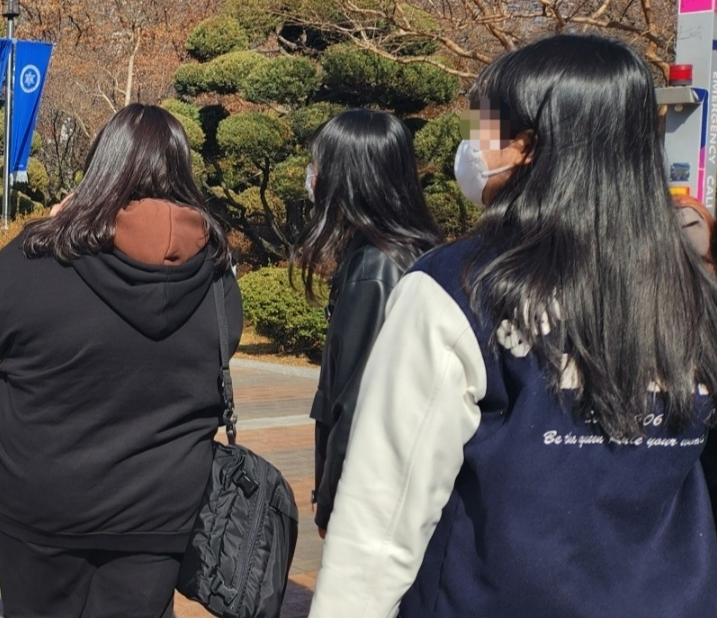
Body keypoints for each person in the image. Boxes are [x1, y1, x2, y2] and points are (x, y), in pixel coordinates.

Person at [309, 35, 717, 618]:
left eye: (486, 128)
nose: (472, 146)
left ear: (529, 146)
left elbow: (382, 518)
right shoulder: (694, 293)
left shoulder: (457, 288)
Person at [0, 104, 242, 618]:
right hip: (160, 508)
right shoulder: (216, 273)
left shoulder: (43, 255)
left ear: (101, 168)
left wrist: (52, 226)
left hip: (37, 497)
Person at [297, 109, 442, 539]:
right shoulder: (414, 252)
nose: (312, 176)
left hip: (369, 506)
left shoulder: (374, 269)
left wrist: (331, 503)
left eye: (319, 165)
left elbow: (358, 403)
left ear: (349, 176)